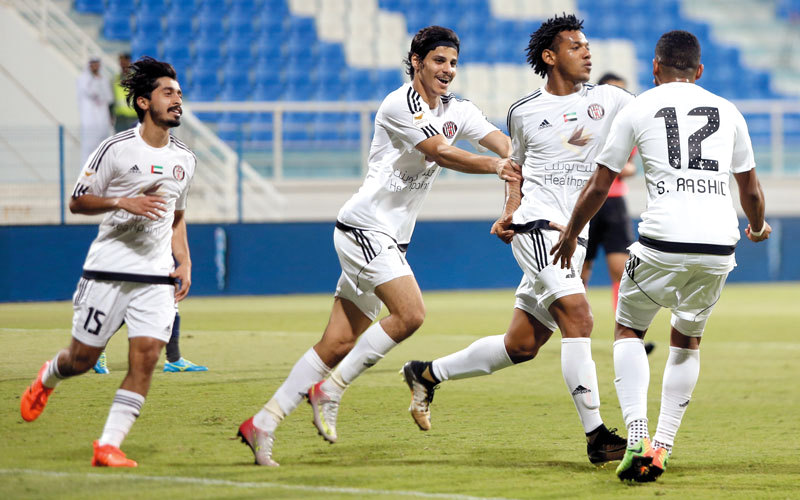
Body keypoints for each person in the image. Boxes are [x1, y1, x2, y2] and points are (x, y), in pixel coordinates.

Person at [236, 25, 522, 467]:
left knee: (336, 343)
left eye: (452, 63)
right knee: (410, 314)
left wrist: (529, 162)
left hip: (389, 240)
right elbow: (440, 152)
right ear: (416, 62)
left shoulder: (459, 109)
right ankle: (331, 389)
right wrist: (496, 166)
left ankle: (262, 424)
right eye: (438, 61)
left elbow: (506, 146)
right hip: (364, 229)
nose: (447, 70)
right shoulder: (399, 104)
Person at [401, 13, 633, 466]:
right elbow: (516, 169)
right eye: (576, 46)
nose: (587, 53)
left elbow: (654, 113)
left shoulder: (610, 100)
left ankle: (426, 374)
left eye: (588, 46)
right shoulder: (523, 112)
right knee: (580, 318)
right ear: (550, 56)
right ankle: (597, 437)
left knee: (522, 345)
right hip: (539, 230)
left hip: (574, 234)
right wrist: (510, 212)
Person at [551, 30, 770, 482]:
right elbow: (749, 188)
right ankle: (663, 445)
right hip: (719, 245)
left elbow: (599, 185)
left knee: (629, 329)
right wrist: (756, 225)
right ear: (699, 70)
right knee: (687, 339)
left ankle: (637, 435)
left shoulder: (637, 106)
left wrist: (571, 234)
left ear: (655, 68)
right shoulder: (728, 111)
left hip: (662, 241)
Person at [20, 57, 196, 467]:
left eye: (179, 94)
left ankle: (108, 445)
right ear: (143, 102)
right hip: (108, 270)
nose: (177, 100)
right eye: (167, 93)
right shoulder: (115, 149)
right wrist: (122, 201)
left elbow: (177, 216)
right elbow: (77, 201)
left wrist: (184, 261)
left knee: (146, 358)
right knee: (81, 360)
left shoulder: (185, 159)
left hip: (156, 276)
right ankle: (50, 375)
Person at [584, 73, 656, 356]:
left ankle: (626, 335)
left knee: (623, 272)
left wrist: (618, 167)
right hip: (586, 202)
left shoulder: (629, 128)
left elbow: (630, 166)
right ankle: (576, 334)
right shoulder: (585, 125)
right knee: (579, 273)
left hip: (614, 204)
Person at [78, 56, 114, 165]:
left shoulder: (104, 79)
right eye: (92, 63)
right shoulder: (83, 79)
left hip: (103, 119)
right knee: (89, 147)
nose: (95, 66)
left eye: (97, 63)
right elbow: (91, 92)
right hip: (89, 119)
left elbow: (109, 98)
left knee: (103, 147)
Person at [113, 53, 139, 133]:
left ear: (129, 63)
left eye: (125, 62)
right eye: (121, 62)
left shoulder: (137, 79)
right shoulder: (115, 79)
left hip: (134, 117)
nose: (123, 64)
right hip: (120, 118)